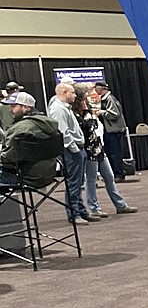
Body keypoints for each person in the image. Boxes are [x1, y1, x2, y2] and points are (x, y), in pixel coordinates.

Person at [73, 85, 135, 216]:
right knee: (91, 180)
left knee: (109, 177)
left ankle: (120, 205)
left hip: (98, 148)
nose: (87, 101)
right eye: (84, 98)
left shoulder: (87, 112)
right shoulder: (76, 115)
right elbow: (85, 130)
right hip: (89, 150)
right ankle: (94, 208)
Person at [47, 82, 90, 223]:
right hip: (71, 151)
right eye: (72, 92)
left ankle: (81, 211)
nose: (75, 95)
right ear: (64, 93)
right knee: (73, 183)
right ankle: (74, 215)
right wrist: (75, 149)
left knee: (78, 182)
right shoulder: (58, 109)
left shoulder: (65, 108)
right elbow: (63, 132)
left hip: (76, 149)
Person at [0, 91, 61, 190]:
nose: (10, 110)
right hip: (48, 174)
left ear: (26, 107)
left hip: (26, 177)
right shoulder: (50, 124)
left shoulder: (20, 128)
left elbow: (8, 157)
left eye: (13, 106)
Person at [94, 81, 128, 181]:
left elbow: (115, 114)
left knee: (115, 154)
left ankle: (119, 175)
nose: (95, 90)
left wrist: (101, 112)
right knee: (110, 153)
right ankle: (113, 174)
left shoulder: (110, 99)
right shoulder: (105, 99)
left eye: (96, 88)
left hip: (114, 131)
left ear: (101, 88)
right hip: (109, 131)